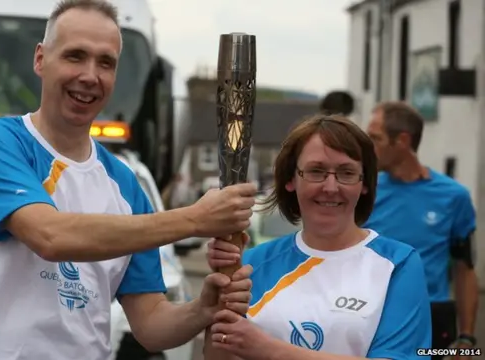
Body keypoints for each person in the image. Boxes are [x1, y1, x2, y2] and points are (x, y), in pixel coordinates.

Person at [0, 1, 256, 359]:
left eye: (106, 63)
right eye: (75, 56)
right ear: (40, 59)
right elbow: (50, 236)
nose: (90, 75)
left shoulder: (126, 187)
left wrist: (202, 309)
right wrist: (195, 219)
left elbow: (150, 325)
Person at [203, 114, 432, 360]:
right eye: (316, 171)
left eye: (346, 173)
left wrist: (268, 349)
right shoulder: (252, 265)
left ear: (364, 183)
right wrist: (219, 298)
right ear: (291, 179)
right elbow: (218, 355)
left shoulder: (397, 264)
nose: (331, 187)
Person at [364, 101, 480, 356]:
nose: (368, 147)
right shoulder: (364, 191)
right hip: (370, 313)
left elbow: (465, 268)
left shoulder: (453, 196)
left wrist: (467, 338)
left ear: (402, 141)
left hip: (432, 317)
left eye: (375, 138)